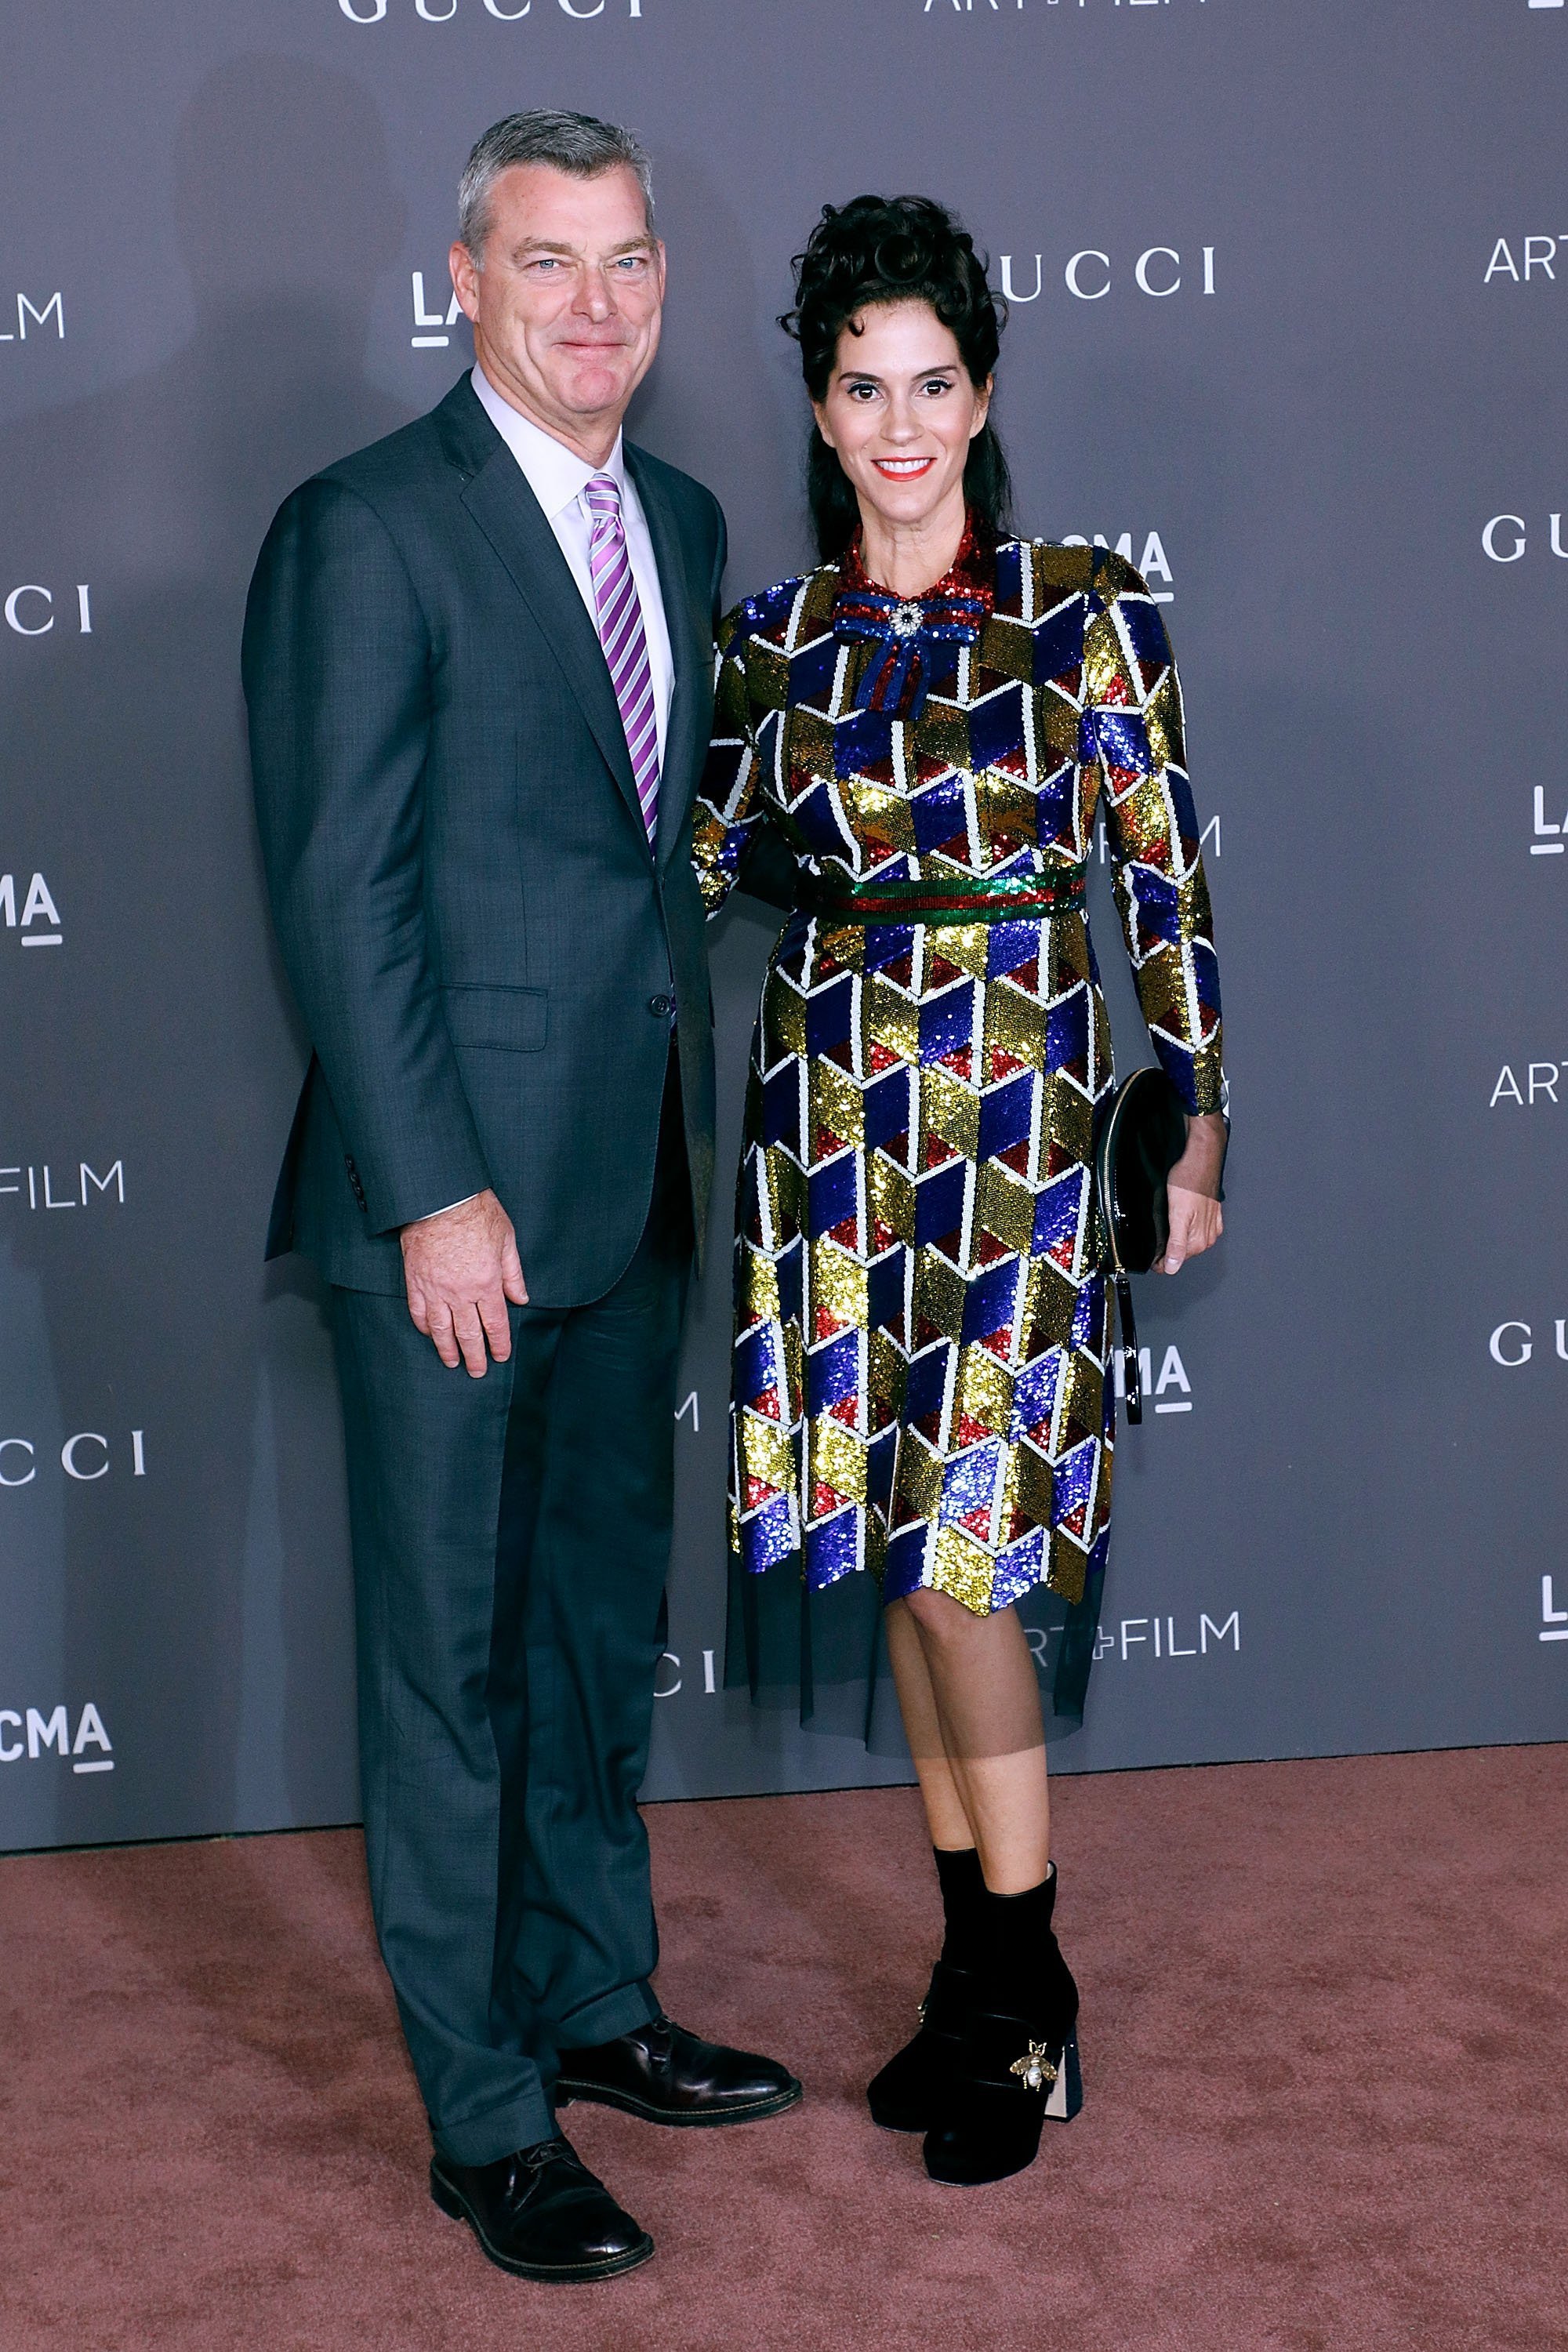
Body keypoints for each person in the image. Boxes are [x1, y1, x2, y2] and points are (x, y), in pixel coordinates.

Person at [244, 110, 799, 2288]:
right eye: (548, 262)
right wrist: (434, 1188)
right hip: (452, 1214)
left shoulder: (677, 509)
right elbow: (338, 887)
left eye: (630, 262)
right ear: (462, 279)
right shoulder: (365, 530)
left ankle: (591, 2002)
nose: (596, 304)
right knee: (447, 1672)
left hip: (634, 1181)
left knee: (583, 1645)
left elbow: (640, 863)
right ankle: (484, 2117)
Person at [693, 194, 1227, 2188]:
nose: (898, 421)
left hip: (1013, 1141)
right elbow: (686, 875)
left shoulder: (1081, 613)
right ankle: (967, 1988)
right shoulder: (768, 644)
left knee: (962, 1563)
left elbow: (1158, 883)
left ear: (982, 392)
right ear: (819, 411)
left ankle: (1030, 2003)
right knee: (899, 1573)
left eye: (931, 383)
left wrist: (1201, 1122)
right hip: (827, 1140)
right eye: (860, 387)